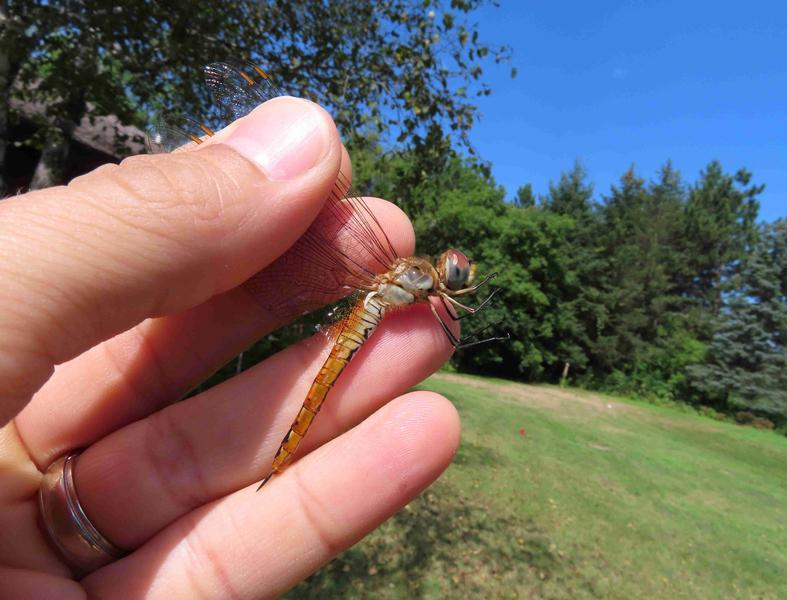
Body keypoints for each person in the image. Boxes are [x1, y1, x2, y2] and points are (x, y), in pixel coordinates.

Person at [0, 97, 460, 597]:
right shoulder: (419, 279)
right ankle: (281, 453)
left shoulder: (419, 285)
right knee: (321, 394)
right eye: (456, 273)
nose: (456, 278)